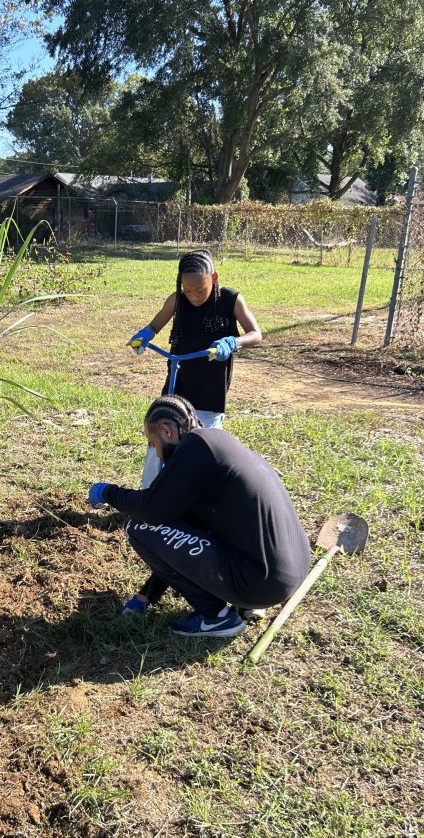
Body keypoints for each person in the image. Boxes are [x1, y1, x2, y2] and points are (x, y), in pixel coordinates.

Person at [88, 395, 311, 638]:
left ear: (167, 431)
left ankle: (216, 618)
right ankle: (242, 600)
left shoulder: (196, 447)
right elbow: (180, 538)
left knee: (138, 526)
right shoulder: (218, 445)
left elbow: (151, 511)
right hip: (285, 574)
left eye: (153, 444)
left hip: (259, 582)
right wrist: (147, 595)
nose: (158, 455)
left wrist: (108, 492)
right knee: (168, 524)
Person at [123, 249, 263, 616]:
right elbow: (155, 326)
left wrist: (235, 342)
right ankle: (150, 506)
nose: (194, 296)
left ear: (213, 279)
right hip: (177, 388)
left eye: (200, 289)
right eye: (188, 290)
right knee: (158, 454)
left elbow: (256, 333)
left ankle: (186, 513)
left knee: (199, 460)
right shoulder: (178, 300)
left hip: (209, 397)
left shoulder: (231, 299)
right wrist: (143, 335)